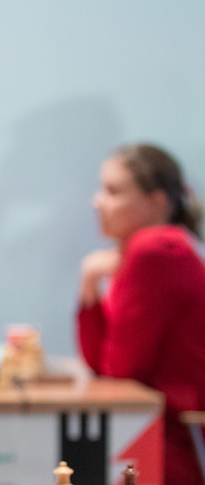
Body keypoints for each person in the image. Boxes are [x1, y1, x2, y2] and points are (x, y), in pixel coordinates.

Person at [76, 143, 205, 484]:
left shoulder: (156, 250)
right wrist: (89, 283)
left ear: (156, 201)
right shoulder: (149, 250)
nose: (97, 201)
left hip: (174, 444)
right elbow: (100, 365)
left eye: (113, 191)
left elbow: (119, 371)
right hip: (155, 432)